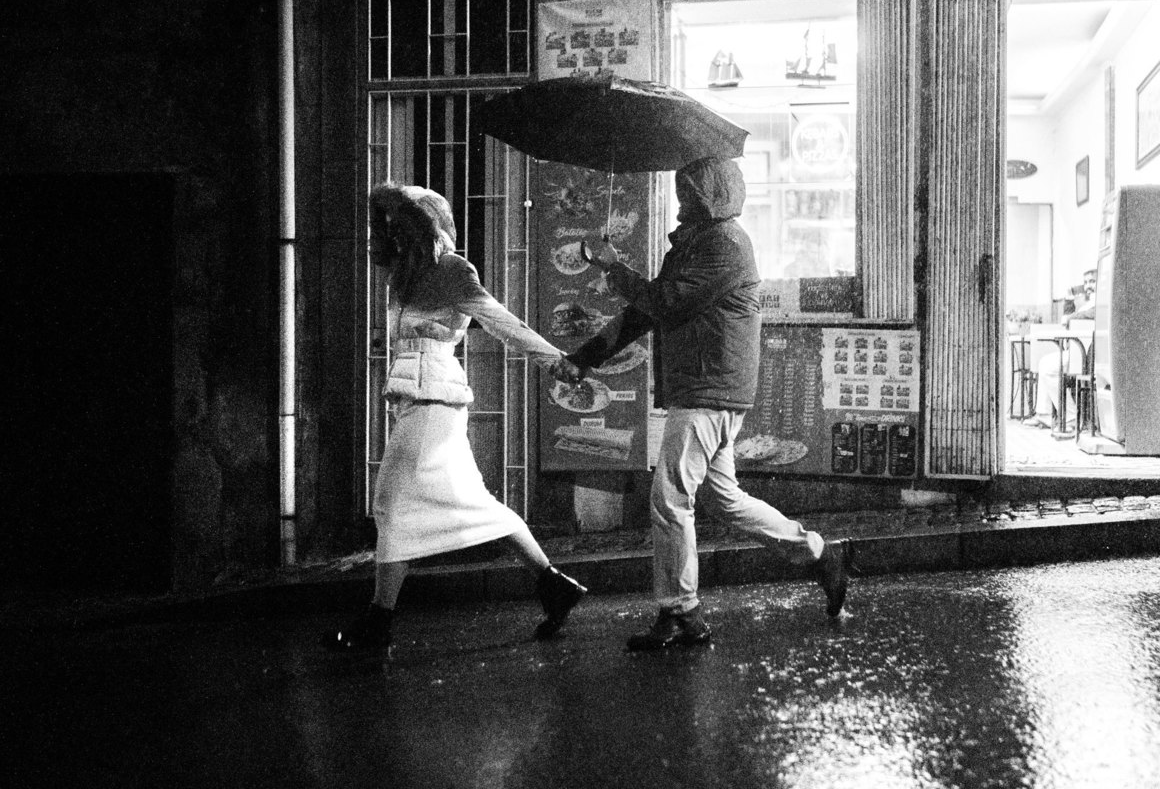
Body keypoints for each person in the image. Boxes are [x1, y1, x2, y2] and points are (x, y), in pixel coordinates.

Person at [557, 156, 848, 652]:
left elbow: (667, 302)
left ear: (709, 194)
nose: (680, 199)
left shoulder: (725, 243)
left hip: (710, 388)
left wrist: (611, 264)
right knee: (722, 498)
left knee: (669, 495)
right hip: (704, 388)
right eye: (680, 190)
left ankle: (680, 611)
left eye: (688, 190)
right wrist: (586, 357)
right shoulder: (692, 243)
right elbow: (645, 311)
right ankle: (818, 553)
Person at [322, 183, 587, 651]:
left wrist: (555, 360)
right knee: (475, 503)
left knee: (391, 503)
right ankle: (554, 585)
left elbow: (503, 322)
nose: (388, 233)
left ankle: (378, 626)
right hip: (418, 402)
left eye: (398, 224)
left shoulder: (452, 270)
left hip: (434, 403)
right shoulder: (404, 274)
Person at [1024, 268, 1096, 432]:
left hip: (1086, 355)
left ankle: (1070, 417)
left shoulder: (1098, 302)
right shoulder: (1088, 303)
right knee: (1044, 362)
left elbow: (1081, 317)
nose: (1088, 286)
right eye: (1086, 282)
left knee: (1049, 368)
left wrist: (1070, 318)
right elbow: (1068, 318)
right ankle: (1044, 414)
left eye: (1092, 281)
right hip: (1078, 351)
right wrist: (1069, 301)